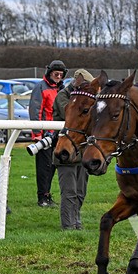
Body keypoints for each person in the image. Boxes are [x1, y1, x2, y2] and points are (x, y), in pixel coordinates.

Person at [53, 68, 94, 229]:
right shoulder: (63, 96)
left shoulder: (83, 97)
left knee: (80, 192)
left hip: (81, 150)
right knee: (69, 192)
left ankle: (76, 222)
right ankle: (68, 225)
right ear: (76, 82)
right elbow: (70, 115)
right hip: (65, 149)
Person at [29, 60, 67, 206]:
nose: (58, 76)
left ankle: (47, 194)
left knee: (53, 166)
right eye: (55, 74)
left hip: (58, 133)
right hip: (45, 134)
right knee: (44, 167)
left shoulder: (61, 88)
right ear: (49, 73)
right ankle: (42, 197)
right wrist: (37, 133)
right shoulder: (40, 87)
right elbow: (35, 109)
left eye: (60, 74)